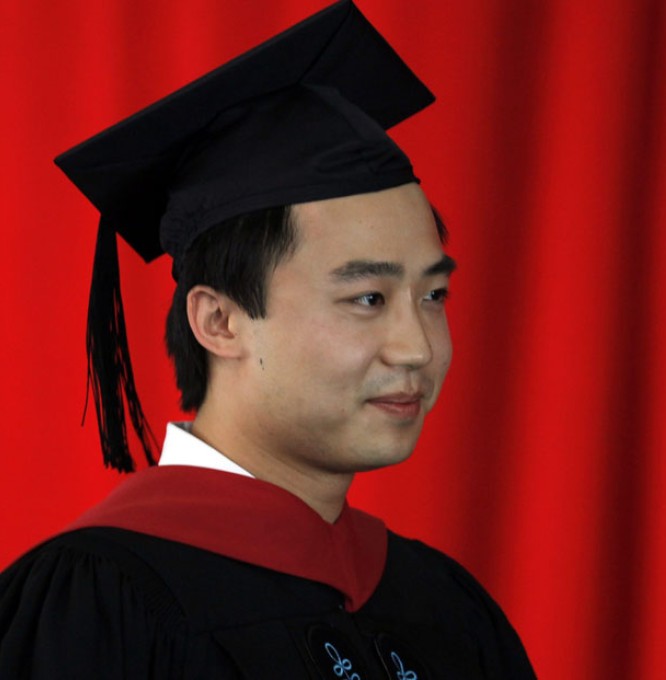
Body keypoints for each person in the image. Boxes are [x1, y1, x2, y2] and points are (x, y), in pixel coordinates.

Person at [0, 2, 535, 678]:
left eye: (431, 296)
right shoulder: (98, 605)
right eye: (367, 299)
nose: (418, 349)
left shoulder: (442, 604)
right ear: (218, 321)